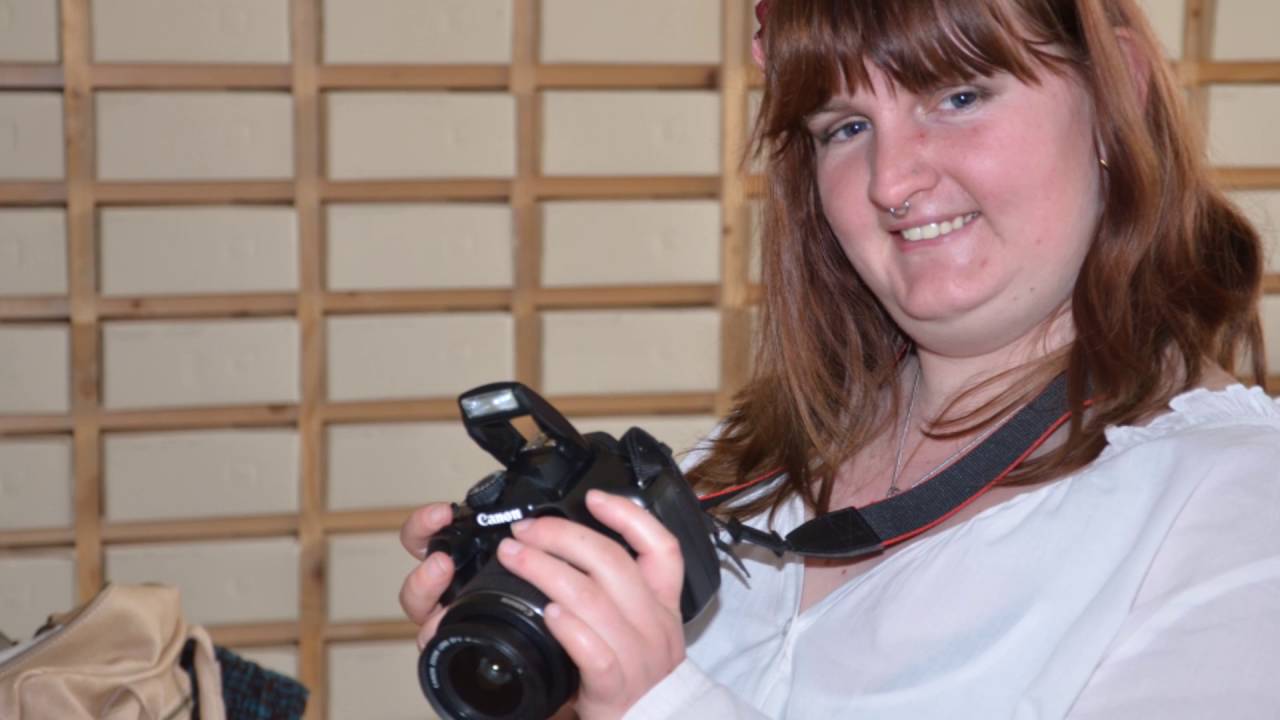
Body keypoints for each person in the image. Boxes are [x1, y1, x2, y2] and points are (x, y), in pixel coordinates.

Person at [400, 0, 1280, 717]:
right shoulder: (744, 471)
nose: (892, 180)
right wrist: (551, 680)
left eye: (958, 96)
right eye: (846, 126)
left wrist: (659, 705)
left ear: (1118, 87)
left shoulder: (1235, 504)